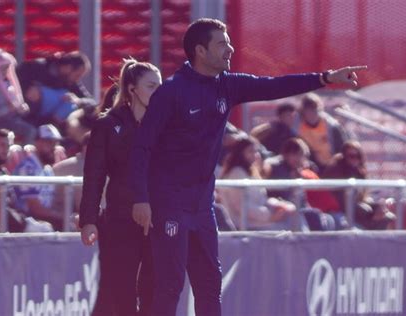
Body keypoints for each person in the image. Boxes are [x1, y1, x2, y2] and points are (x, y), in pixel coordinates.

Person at [131, 17, 366, 316]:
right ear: (200, 51)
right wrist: (141, 198)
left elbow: (273, 86)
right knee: (169, 285)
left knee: (210, 284)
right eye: (222, 43)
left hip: (202, 204)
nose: (230, 48)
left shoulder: (228, 85)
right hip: (169, 203)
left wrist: (325, 78)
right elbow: (142, 147)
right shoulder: (171, 92)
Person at [79, 58, 162, 315]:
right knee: (121, 291)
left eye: (161, 86)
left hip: (159, 219)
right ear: (131, 89)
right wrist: (88, 220)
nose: (158, 92)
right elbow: (94, 175)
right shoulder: (107, 125)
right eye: (151, 86)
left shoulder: (167, 125)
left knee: (155, 290)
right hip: (119, 219)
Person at [218, 136, 297, 230]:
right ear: (240, 153)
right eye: (251, 151)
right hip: (243, 225)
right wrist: (270, 216)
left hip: (258, 221)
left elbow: (261, 199)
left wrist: (279, 205)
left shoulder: (250, 172)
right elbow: (241, 207)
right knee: (287, 227)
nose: (255, 155)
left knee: (294, 216)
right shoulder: (236, 173)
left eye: (256, 151)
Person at [322, 140, 396, 229]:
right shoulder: (336, 170)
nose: (355, 159)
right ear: (344, 156)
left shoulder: (359, 172)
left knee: (387, 215)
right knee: (365, 210)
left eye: (358, 156)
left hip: (356, 205)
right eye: (351, 156)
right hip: (342, 207)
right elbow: (343, 200)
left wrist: (378, 204)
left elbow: (362, 197)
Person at [16, 51, 95, 126]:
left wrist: (78, 100)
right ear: (68, 67)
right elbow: (13, 79)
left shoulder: (71, 82)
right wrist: (26, 88)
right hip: (23, 112)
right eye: (77, 75)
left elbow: (92, 102)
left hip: (49, 119)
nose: (77, 79)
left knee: (71, 104)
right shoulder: (36, 67)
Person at [12, 124, 63, 230]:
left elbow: (53, 203)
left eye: (55, 143)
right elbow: (35, 209)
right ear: (37, 142)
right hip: (27, 221)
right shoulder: (26, 168)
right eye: (49, 142)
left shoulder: (48, 169)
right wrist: (64, 216)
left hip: (46, 219)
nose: (54, 147)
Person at [0, 48, 36, 143]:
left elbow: (15, 105)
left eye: (7, 68)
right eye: (2, 68)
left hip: (11, 120)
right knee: (28, 130)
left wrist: (22, 108)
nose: (5, 71)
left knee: (32, 129)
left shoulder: (8, 84)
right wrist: (8, 109)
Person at [297, 92, 349, 172]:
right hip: (312, 166)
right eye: (308, 110)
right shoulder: (299, 128)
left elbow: (341, 150)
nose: (311, 113)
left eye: (314, 109)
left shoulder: (332, 126)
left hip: (333, 166)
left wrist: (334, 164)